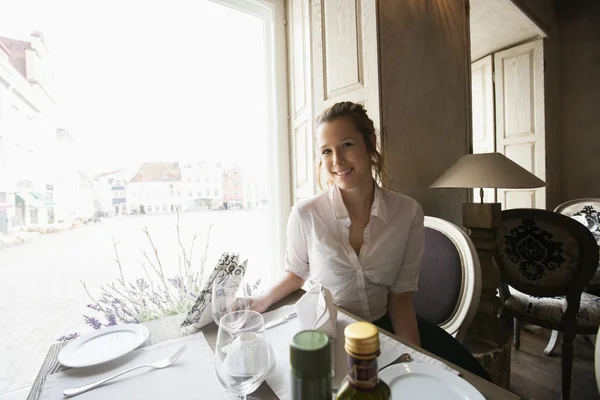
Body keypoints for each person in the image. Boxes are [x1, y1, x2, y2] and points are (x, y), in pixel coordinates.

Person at [250, 101, 489, 380]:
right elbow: (295, 272)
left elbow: (400, 300)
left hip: (385, 327)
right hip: (330, 333)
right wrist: (262, 300)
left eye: (347, 145)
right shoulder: (306, 215)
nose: (336, 160)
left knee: (473, 381)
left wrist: (412, 362)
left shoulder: (407, 213)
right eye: (326, 151)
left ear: (370, 142)